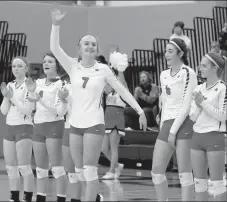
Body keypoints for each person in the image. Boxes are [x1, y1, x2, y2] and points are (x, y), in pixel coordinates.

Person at [50, 5, 147, 201]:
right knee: (78, 172)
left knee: (90, 170)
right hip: (75, 125)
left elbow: (122, 91)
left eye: (93, 44)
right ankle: (95, 198)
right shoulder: (72, 66)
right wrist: (56, 25)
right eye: (86, 44)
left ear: (97, 49)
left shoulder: (103, 69)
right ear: (79, 48)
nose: (90, 46)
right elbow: (54, 48)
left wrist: (139, 111)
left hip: (94, 123)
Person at [151, 38, 197, 201]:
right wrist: (163, 126)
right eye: (166, 51)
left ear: (181, 54)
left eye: (170, 51)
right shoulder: (163, 75)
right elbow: (164, 102)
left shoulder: (188, 72)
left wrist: (172, 131)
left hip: (184, 124)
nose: (166, 54)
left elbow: (186, 106)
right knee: (156, 171)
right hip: (167, 124)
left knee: (184, 173)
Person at [25, 52, 68, 202]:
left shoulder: (61, 84)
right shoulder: (38, 83)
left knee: (56, 168)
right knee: (40, 169)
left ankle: (61, 199)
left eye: (50, 61)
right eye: (44, 62)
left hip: (54, 125)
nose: (46, 64)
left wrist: (40, 100)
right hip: (39, 126)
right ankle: (40, 199)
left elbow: (60, 110)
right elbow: (31, 105)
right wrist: (31, 92)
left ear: (57, 65)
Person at [189, 52, 227, 201]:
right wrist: (199, 106)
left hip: (214, 137)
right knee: (199, 185)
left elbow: (223, 116)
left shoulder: (223, 88)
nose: (200, 68)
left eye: (204, 65)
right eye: (200, 65)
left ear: (214, 68)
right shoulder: (198, 88)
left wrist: (203, 103)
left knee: (217, 185)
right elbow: (192, 117)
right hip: (196, 137)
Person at [0, 57, 35, 202]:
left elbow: (27, 110)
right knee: (10, 167)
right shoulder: (10, 84)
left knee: (24, 167)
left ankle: (27, 198)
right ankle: (14, 197)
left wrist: (11, 97)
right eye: (14, 66)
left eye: (20, 66)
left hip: (24, 126)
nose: (16, 68)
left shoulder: (30, 85)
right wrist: (5, 97)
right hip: (10, 126)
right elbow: (3, 111)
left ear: (26, 68)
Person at [101, 51, 128, 180]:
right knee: (104, 148)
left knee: (113, 146)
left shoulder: (122, 85)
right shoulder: (109, 85)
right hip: (107, 116)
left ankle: (112, 171)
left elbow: (123, 86)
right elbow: (103, 88)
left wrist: (120, 68)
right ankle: (117, 165)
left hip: (117, 116)